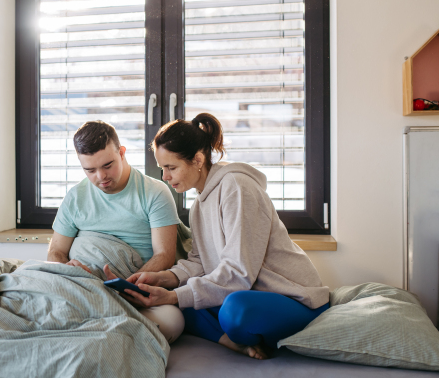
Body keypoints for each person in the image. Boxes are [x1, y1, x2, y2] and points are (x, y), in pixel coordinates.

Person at [120, 113, 330, 359]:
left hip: (291, 299)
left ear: (197, 160)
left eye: (171, 167)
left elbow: (239, 272)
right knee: (179, 300)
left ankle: (231, 331)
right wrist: (164, 279)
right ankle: (231, 340)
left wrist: (176, 294)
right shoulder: (199, 204)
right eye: (162, 168)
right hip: (250, 292)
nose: (165, 177)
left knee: (233, 310)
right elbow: (200, 261)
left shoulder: (237, 187)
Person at [47, 120, 185, 343]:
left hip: (132, 289)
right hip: (82, 287)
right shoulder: (75, 196)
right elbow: (55, 252)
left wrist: (126, 287)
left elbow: (164, 256)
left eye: (107, 165)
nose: (101, 176)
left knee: (173, 321)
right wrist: (67, 268)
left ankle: (92, 324)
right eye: (90, 170)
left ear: (122, 153)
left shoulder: (155, 193)